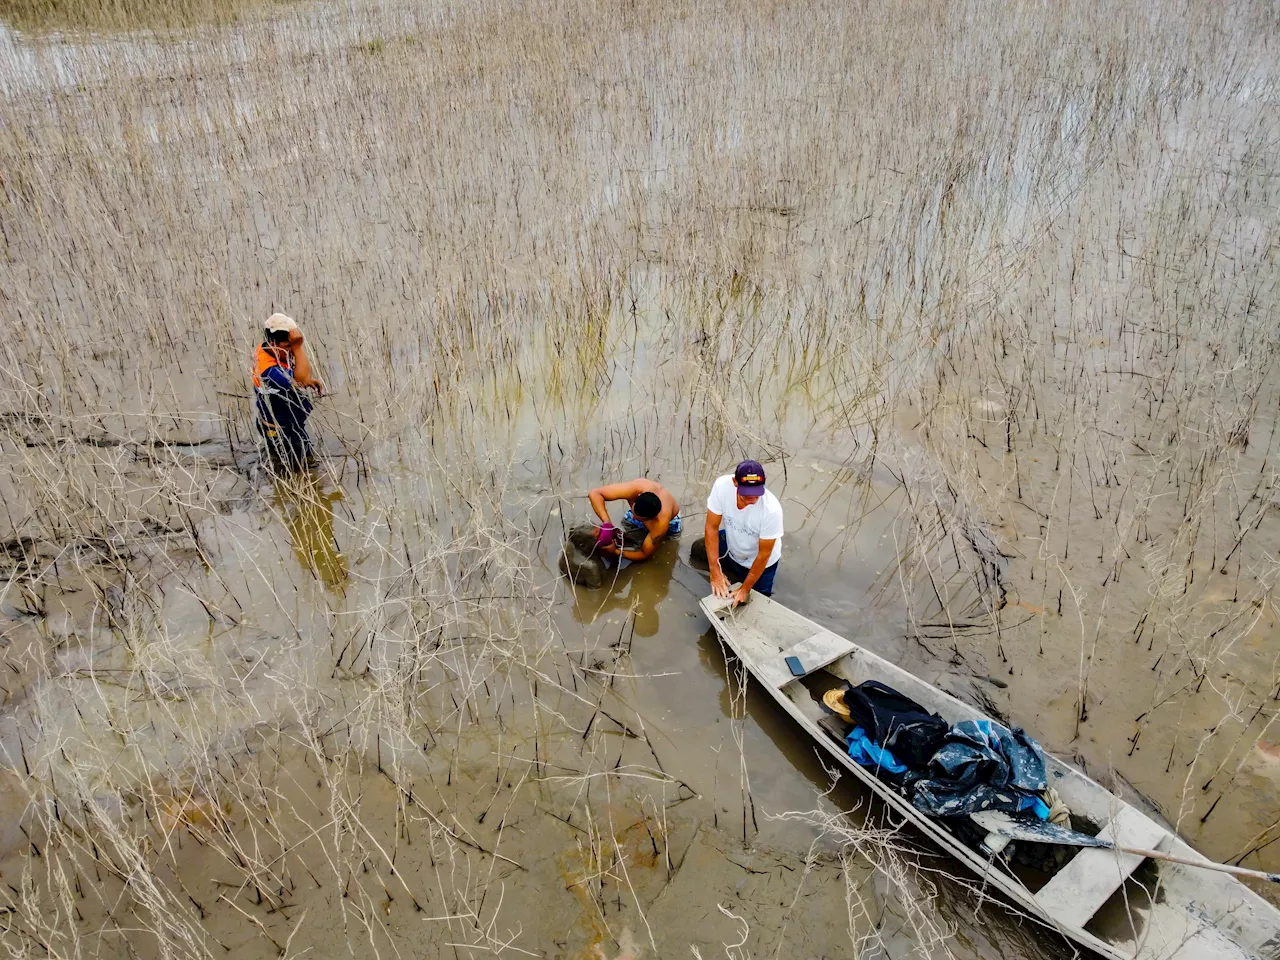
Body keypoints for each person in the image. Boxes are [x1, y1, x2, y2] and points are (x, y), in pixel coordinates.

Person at [704, 459, 783, 604]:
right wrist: (714, 571)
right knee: (698, 551)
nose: (752, 499)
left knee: (758, 602)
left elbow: (763, 554)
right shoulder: (722, 486)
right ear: (735, 482)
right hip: (733, 543)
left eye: (756, 493)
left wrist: (745, 589)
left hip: (761, 560)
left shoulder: (771, 510)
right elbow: (711, 527)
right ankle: (726, 573)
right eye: (746, 494)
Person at [252, 313, 324, 470]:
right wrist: (298, 347)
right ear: (273, 343)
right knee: (298, 466)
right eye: (288, 346)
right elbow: (301, 379)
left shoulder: (263, 349)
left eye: (293, 346)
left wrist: (305, 380)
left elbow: (297, 378)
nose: (292, 351)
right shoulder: (270, 372)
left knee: (286, 458)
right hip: (281, 428)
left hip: (280, 422)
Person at [586, 478, 682, 563]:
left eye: (637, 518)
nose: (633, 518)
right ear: (638, 497)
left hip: (671, 521)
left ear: (651, 519)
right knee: (627, 523)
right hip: (646, 510)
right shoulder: (637, 487)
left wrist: (616, 552)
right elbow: (595, 493)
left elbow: (645, 554)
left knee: (663, 542)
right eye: (633, 512)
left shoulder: (661, 524)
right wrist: (607, 523)